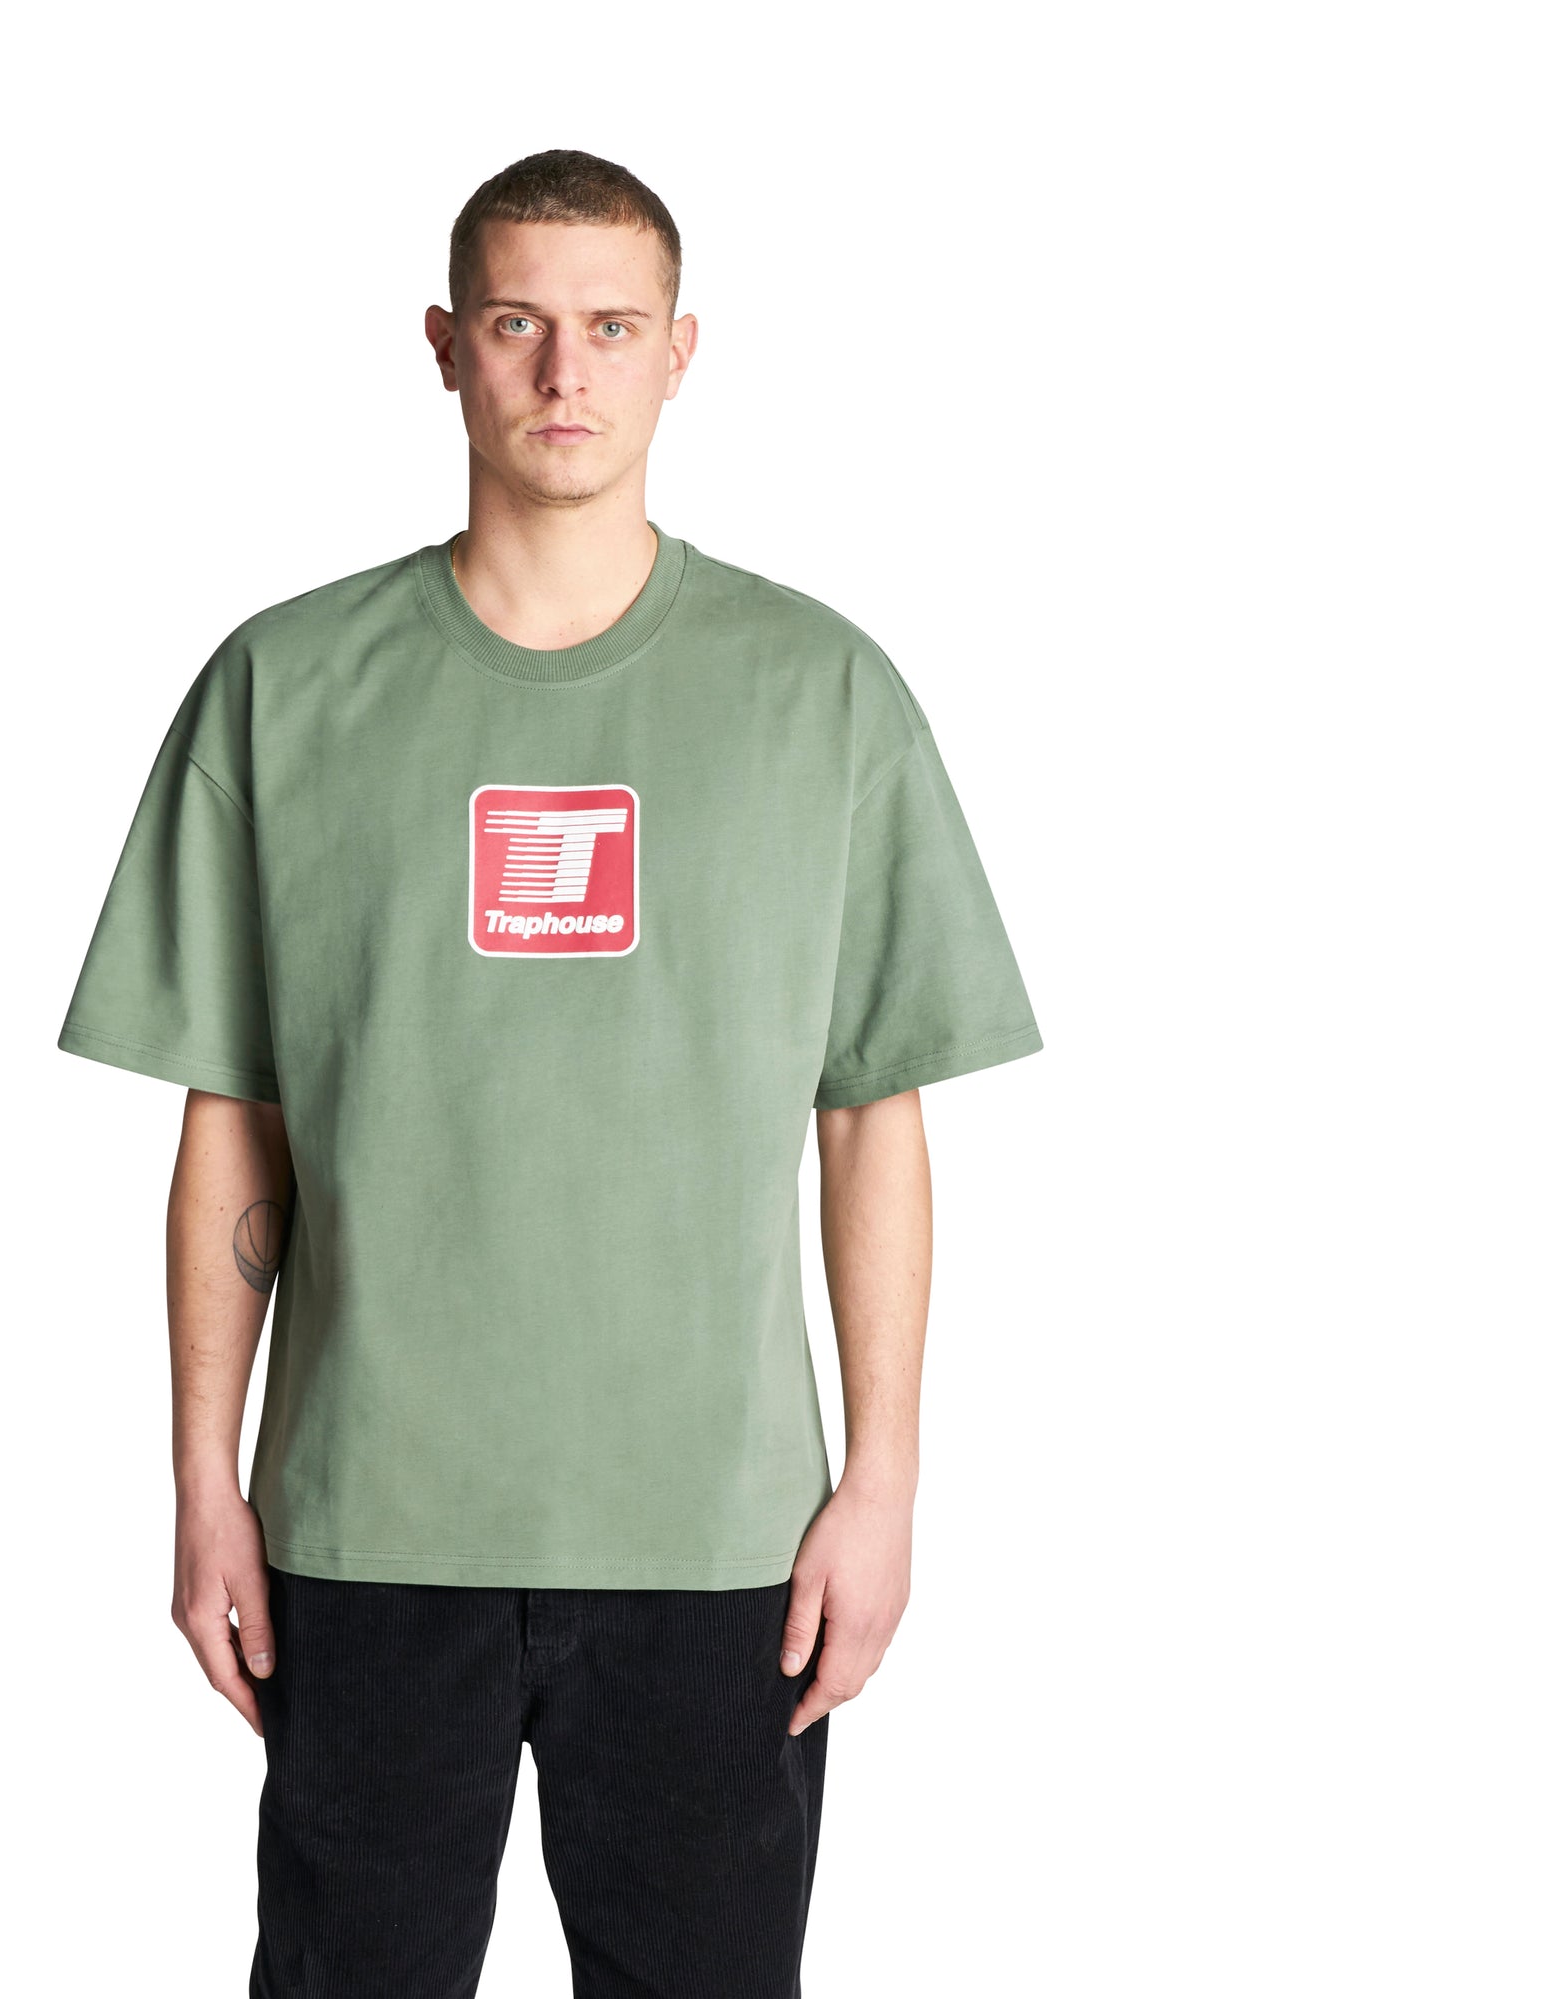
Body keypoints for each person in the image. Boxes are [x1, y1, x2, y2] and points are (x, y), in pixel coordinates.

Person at [58, 148, 1041, 1999]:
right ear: (446, 346)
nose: (565, 372)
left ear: (683, 352)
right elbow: (230, 1122)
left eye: (610, 327)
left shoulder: (822, 694)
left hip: (719, 1536)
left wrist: (885, 1483)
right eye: (518, 324)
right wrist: (204, 1483)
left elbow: (871, 1116)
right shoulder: (285, 685)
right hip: (366, 1524)